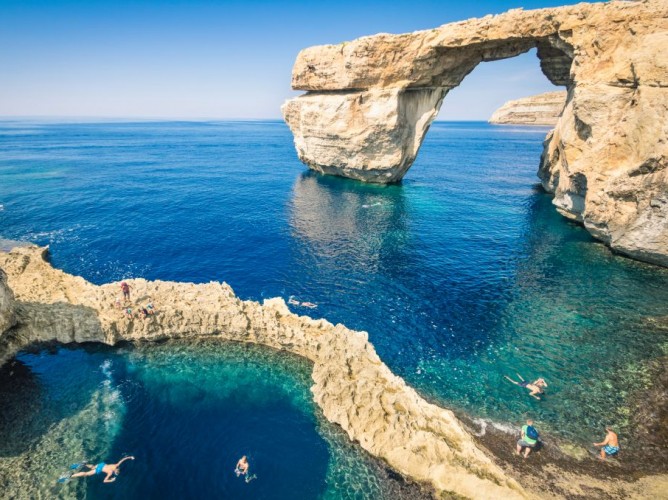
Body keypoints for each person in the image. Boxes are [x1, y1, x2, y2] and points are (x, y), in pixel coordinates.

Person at [71, 456, 135, 483]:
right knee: (86, 474)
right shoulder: (110, 473)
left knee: (93, 467)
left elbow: (123, 459)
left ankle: (84, 464)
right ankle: (71, 475)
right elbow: (104, 481)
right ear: (115, 472)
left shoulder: (116, 465)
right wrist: (111, 480)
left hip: (102, 464)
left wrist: (130, 457)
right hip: (99, 469)